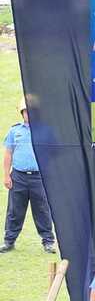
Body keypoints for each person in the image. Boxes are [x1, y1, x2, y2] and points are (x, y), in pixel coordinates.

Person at [0, 98, 56, 254]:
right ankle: (9, 241)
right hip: (18, 177)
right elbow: (8, 154)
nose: (28, 114)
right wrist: (6, 176)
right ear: (22, 113)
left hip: (39, 177)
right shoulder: (15, 131)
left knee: (42, 210)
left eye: (30, 111)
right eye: (25, 111)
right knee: (14, 210)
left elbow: (53, 155)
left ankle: (48, 241)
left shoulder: (45, 131)